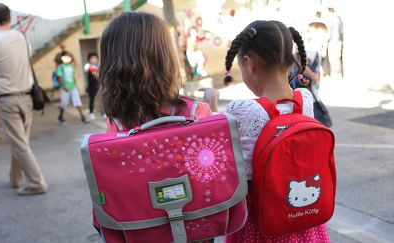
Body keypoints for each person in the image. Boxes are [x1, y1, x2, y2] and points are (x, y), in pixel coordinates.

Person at [95, 11, 211, 234]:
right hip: (195, 225)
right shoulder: (195, 111)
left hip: (139, 228)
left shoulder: (116, 121)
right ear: (165, 57)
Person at [223, 20, 329, 242]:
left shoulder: (242, 110)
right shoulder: (305, 100)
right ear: (290, 62)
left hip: (262, 222)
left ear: (249, 64)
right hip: (304, 216)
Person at [0, 3, 47, 195]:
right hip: (27, 97)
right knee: (21, 141)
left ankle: (37, 183)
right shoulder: (22, 38)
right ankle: (15, 178)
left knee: (19, 143)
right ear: (10, 18)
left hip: (7, 99)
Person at [57, 51, 89, 124]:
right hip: (65, 89)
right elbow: (59, 77)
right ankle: (60, 116)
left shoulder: (71, 66)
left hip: (73, 87)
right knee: (64, 103)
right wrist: (64, 87)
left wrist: (74, 84)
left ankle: (82, 117)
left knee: (77, 101)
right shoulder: (60, 67)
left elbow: (72, 76)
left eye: (69, 56)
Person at [83, 52, 105, 120]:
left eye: (95, 58)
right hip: (91, 87)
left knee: (101, 100)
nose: (94, 60)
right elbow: (86, 70)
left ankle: (103, 113)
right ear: (89, 59)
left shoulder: (99, 66)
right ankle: (91, 113)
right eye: (92, 58)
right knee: (92, 100)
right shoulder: (87, 66)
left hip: (99, 86)